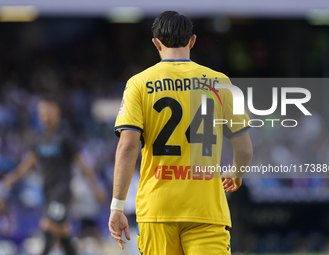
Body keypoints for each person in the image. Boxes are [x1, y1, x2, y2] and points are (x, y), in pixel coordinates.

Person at [108, 11, 253, 255]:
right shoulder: (221, 82)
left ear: (156, 43)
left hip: (158, 208)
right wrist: (236, 172)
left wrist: (117, 206)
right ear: (192, 40)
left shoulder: (138, 83)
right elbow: (245, 150)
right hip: (206, 208)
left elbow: (127, 147)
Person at [3, 95, 105, 255]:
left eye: (47, 112)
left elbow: (83, 165)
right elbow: (29, 163)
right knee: (62, 230)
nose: (44, 116)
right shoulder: (38, 139)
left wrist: (96, 188)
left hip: (63, 190)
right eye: (41, 113)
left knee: (48, 225)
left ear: (56, 113)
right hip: (48, 191)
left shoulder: (65, 137)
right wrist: (13, 177)